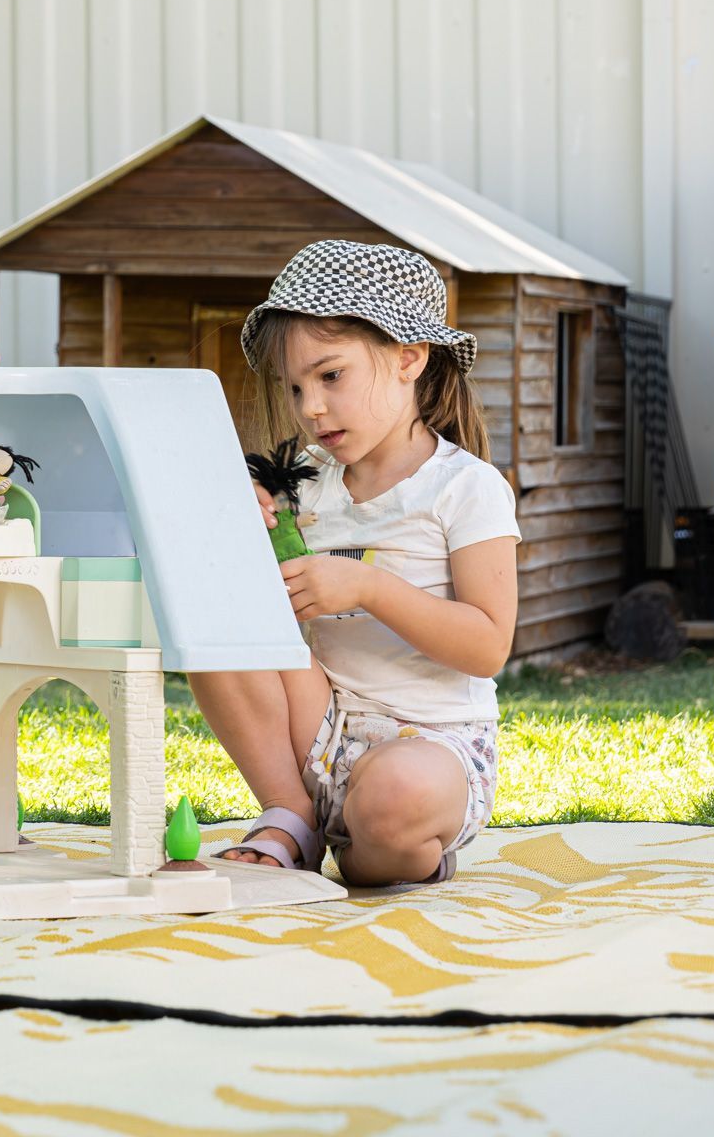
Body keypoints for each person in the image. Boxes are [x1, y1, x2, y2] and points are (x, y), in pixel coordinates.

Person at [192, 241, 520, 886]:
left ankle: (370, 843)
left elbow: (487, 647)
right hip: (317, 725)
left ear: (408, 358)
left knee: (394, 801)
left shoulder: (465, 487)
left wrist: (370, 587)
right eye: (294, 387)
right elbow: (253, 604)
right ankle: (291, 811)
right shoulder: (304, 480)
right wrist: (241, 522)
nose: (310, 407)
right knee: (212, 628)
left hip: (432, 741)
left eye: (331, 376)